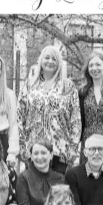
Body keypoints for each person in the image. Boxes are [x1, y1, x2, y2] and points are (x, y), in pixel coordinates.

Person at [17, 45, 81, 174]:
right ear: (40, 60)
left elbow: (76, 119)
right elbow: (19, 116)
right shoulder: (29, 84)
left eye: (54, 59)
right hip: (34, 150)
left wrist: (73, 149)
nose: (50, 61)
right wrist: (22, 146)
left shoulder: (68, 86)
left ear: (59, 63)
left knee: (57, 191)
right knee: (34, 191)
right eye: (47, 57)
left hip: (60, 151)